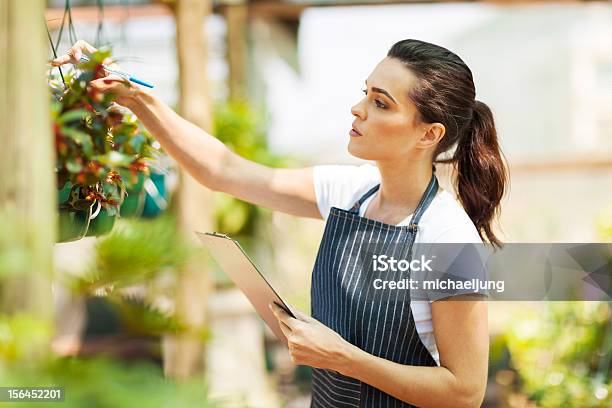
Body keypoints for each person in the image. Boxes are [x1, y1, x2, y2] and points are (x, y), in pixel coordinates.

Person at [53, 38, 507, 408]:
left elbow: (464, 392)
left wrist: (343, 358)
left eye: (381, 103)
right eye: (365, 92)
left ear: (429, 134)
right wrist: (135, 96)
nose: (357, 108)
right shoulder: (350, 192)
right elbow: (222, 171)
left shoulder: (447, 237)